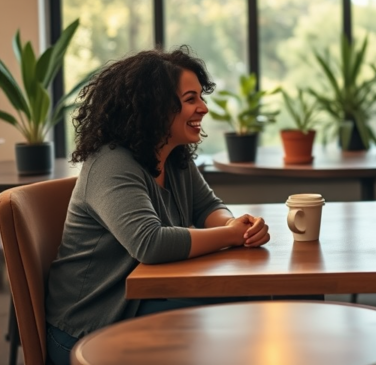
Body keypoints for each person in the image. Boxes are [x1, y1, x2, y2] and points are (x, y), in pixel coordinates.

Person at [45, 47, 271, 365]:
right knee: (232, 319)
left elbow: (208, 207)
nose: (203, 108)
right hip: (87, 328)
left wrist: (237, 226)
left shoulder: (174, 155)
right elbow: (149, 243)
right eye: (191, 99)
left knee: (244, 303)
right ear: (156, 106)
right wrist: (230, 235)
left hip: (138, 303)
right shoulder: (112, 163)